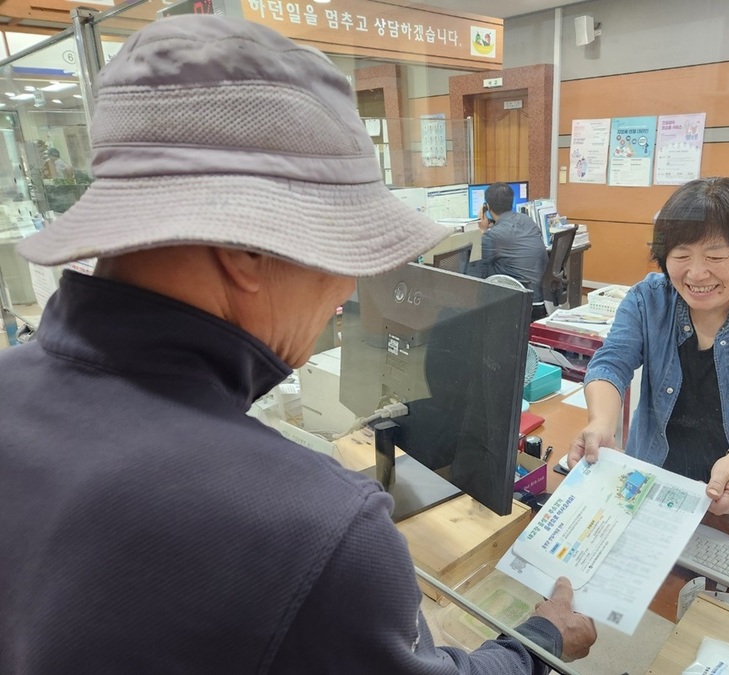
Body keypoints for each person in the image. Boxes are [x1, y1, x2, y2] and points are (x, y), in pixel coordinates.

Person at [0, 15, 596, 673]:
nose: (349, 284)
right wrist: (532, 644)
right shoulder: (311, 527)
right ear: (246, 249)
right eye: (343, 246)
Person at [568, 177, 729, 538]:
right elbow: (612, 362)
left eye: (716, 256)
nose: (696, 273)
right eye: (681, 255)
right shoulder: (648, 299)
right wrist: (602, 424)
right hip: (664, 476)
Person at [467, 182, 549, 321]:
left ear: (487, 207)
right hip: (540, 301)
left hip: (519, 305)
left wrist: (482, 231)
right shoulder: (527, 220)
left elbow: (473, 273)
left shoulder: (492, 236)